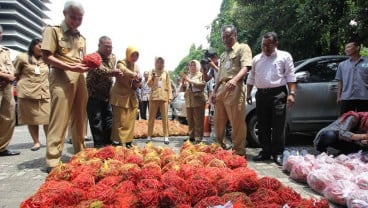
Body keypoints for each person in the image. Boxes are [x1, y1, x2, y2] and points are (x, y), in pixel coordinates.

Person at [41, 1, 89, 173]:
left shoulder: (82, 38)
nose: (76, 21)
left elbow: (82, 60)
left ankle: (80, 153)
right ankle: (53, 159)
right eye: (73, 17)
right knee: (59, 118)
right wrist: (70, 67)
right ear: (64, 14)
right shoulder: (52, 30)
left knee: (80, 118)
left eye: (79, 18)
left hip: (80, 78)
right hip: (61, 76)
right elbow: (47, 57)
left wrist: (89, 64)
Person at [246, 31, 296, 166]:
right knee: (263, 124)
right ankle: (265, 151)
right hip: (261, 94)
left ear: (276, 44)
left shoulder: (284, 56)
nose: (266, 48)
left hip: (278, 94)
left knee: (278, 125)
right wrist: (248, 93)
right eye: (263, 45)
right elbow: (251, 77)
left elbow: (291, 76)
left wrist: (291, 93)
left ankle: (278, 153)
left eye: (269, 45)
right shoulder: (257, 59)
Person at [212, 25, 252, 156]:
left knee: (236, 121)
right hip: (221, 88)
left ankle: (239, 151)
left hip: (235, 86)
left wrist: (234, 80)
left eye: (228, 36)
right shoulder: (223, 55)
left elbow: (246, 67)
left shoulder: (243, 48)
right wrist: (214, 91)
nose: (226, 40)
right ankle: (219, 146)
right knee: (218, 120)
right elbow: (220, 75)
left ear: (235, 35)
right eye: (223, 37)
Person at [13, 38, 50, 151]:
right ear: (33, 46)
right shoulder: (22, 58)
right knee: (31, 119)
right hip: (28, 92)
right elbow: (15, 73)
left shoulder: (46, 59)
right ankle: (36, 142)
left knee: (48, 118)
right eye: (39, 46)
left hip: (44, 92)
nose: (42, 49)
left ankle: (50, 141)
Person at [86, 36, 119, 148]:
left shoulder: (113, 57)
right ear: (99, 45)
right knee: (96, 120)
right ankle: (99, 145)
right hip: (94, 93)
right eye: (106, 47)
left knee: (108, 119)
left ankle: (108, 143)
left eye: (110, 47)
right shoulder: (94, 57)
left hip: (107, 94)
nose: (109, 49)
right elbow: (100, 70)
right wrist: (113, 72)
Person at [110, 46, 141, 148]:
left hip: (131, 96)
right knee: (120, 120)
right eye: (133, 55)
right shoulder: (121, 63)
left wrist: (137, 82)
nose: (134, 57)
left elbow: (135, 84)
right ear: (128, 54)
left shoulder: (136, 67)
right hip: (120, 96)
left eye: (136, 55)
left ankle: (128, 141)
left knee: (130, 119)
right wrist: (133, 74)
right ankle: (119, 141)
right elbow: (123, 70)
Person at [0, 24, 20, 157]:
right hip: (4, 80)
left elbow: (12, 68)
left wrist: (11, 76)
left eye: (0, 33)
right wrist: (4, 75)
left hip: (6, 87)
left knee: (8, 117)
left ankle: (2, 147)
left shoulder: (5, 51)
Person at [336, 39, 368, 115]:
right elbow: (340, 81)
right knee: (345, 121)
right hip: (347, 97)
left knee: (364, 122)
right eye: (345, 48)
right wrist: (338, 96)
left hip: (364, 97)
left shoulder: (367, 62)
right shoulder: (342, 65)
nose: (346, 49)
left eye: (349, 47)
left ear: (357, 48)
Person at [146, 57, 172, 144]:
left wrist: (170, 97)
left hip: (164, 97)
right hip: (154, 97)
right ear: (155, 63)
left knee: (165, 118)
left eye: (161, 62)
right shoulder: (152, 71)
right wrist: (153, 77)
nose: (159, 64)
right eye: (158, 62)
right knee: (151, 117)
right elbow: (149, 84)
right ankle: (149, 135)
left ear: (163, 63)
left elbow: (169, 85)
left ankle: (166, 136)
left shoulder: (166, 72)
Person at [181, 60, 206, 143]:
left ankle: (198, 137)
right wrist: (183, 83)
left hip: (198, 100)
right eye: (191, 65)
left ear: (198, 66)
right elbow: (183, 89)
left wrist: (190, 81)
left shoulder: (200, 75)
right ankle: (191, 136)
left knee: (198, 119)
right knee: (190, 119)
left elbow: (202, 85)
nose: (192, 67)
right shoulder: (188, 76)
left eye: (194, 65)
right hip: (189, 100)